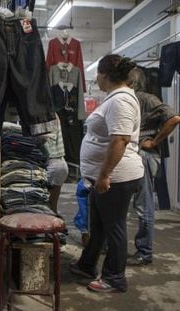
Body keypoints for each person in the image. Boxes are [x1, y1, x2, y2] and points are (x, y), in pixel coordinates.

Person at [68, 54, 144, 293]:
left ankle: (114, 278)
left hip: (116, 178)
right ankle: (87, 264)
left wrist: (104, 175)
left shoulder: (120, 101)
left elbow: (120, 140)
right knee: (99, 226)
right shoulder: (115, 98)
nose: (96, 79)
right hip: (105, 177)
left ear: (104, 75)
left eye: (97, 75)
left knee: (114, 228)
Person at [126, 68, 180, 266]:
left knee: (143, 204)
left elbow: (174, 118)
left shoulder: (146, 98)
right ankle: (141, 250)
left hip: (144, 155)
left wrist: (154, 141)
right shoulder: (132, 98)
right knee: (137, 204)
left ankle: (144, 252)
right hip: (137, 154)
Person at [43, 114, 69, 214]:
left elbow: (42, 138)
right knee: (51, 207)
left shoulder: (43, 114)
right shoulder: (52, 113)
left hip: (52, 164)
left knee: (45, 208)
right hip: (59, 163)